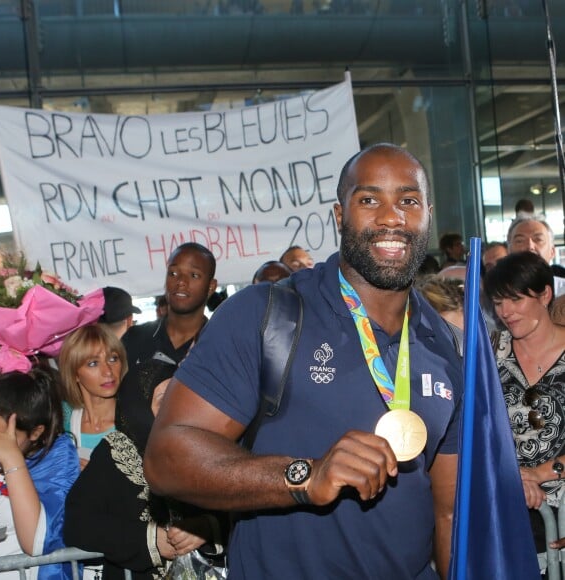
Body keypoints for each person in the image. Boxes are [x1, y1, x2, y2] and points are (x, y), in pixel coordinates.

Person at [144, 143, 463, 579]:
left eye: (408, 201)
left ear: (427, 213)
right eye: (369, 199)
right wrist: (306, 477)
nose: (392, 217)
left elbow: (449, 514)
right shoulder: (266, 314)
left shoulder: (450, 346)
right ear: (338, 216)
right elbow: (165, 460)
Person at [64, 358, 225, 580]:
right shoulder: (114, 453)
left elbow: (238, 508)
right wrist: (149, 540)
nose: (175, 407)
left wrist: (208, 528)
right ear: (138, 407)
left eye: (178, 397)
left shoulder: (202, 445)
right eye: (162, 400)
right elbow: (78, 524)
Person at [483, 251, 565, 561]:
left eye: (515, 300)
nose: (506, 312)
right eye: (498, 302)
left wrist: (538, 472)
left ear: (545, 294)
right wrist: (512, 476)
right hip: (506, 508)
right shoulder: (489, 352)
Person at [0, 368, 80, 579]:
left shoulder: (56, 457)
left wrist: (10, 457)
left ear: (36, 432)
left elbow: (36, 542)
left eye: (1, 435)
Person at [122, 243, 217, 371]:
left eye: (194, 275)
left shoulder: (220, 346)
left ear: (211, 286)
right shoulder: (134, 339)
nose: (181, 281)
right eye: (173, 273)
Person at [59, 324, 128, 468]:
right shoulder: (63, 421)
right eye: (93, 363)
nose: (108, 371)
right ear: (74, 374)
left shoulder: (138, 419)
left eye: (113, 359)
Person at [507, 213, 565, 297]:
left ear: (552, 251)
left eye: (538, 239)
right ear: (509, 251)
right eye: (520, 241)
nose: (530, 246)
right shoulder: (497, 297)